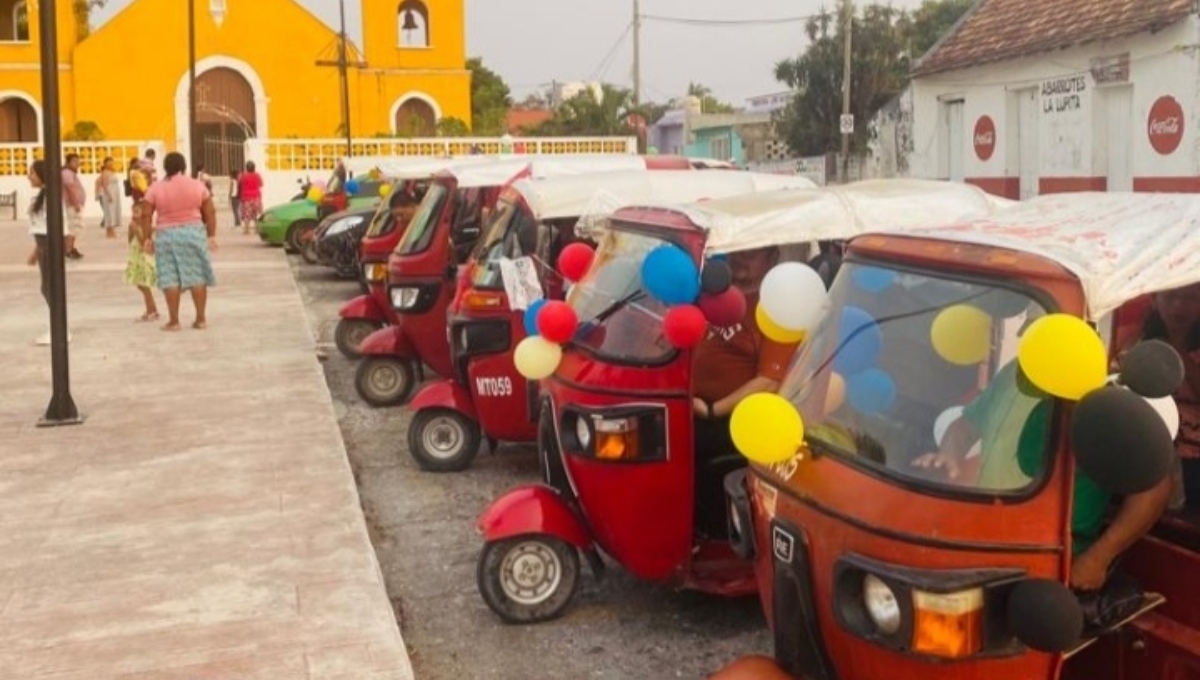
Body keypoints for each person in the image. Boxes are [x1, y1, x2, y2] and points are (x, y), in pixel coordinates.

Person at [913, 357, 1172, 592]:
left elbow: (1154, 486)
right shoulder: (1015, 371)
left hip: (1050, 559)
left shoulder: (1103, 396)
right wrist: (948, 454)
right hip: (983, 536)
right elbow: (964, 427)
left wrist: (1098, 557)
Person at [690, 247, 803, 537]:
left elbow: (769, 380)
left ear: (772, 257)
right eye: (738, 251)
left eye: (752, 253)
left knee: (678, 443)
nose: (741, 258)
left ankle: (711, 534)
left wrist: (713, 410)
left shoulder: (778, 309)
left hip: (735, 417)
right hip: (689, 402)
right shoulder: (709, 297)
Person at [1137, 283, 1200, 509]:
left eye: (1190, 298)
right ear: (1154, 300)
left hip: (1193, 455)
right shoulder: (1138, 340)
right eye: (1171, 296)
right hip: (1146, 444)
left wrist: (1174, 352)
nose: (1179, 305)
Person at [141, 152, 218, 331]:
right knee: (197, 276)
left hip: (166, 236)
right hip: (193, 233)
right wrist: (211, 235)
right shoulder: (197, 185)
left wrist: (147, 238)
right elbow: (210, 211)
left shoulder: (155, 188)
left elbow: (146, 213)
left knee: (170, 278)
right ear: (183, 166)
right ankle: (200, 319)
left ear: (165, 168)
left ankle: (174, 321)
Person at [124, 160, 159, 323]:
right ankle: (151, 309)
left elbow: (139, 234)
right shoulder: (143, 201)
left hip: (140, 255)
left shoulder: (141, 217)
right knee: (141, 283)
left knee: (142, 283)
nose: (134, 214)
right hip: (137, 254)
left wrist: (135, 231)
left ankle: (151, 310)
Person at [62, 153, 86, 259]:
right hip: (72, 205)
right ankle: (68, 250)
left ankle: (71, 248)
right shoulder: (67, 173)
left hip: (74, 204)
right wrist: (75, 203)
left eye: (78, 161)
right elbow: (69, 188)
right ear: (68, 162)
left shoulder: (70, 173)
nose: (77, 163)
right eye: (74, 161)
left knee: (76, 227)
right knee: (74, 227)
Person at [95, 156, 122, 239]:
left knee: (112, 212)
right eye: (108, 162)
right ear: (105, 163)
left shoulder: (112, 172)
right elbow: (104, 184)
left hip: (114, 193)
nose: (110, 163)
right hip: (109, 194)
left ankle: (109, 233)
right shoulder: (105, 172)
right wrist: (109, 195)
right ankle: (111, 232)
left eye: (111, 161)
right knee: (110, 213)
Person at [237, 160, 263, 236]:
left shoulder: (243, 176)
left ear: (246, 168)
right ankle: (257, 229)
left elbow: (239, 184)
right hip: (256, 197)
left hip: (246, 198)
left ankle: (246, 230)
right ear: (254, 167)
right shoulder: (257, 175)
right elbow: (261, 184)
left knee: (246, 214)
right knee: (256, 213)